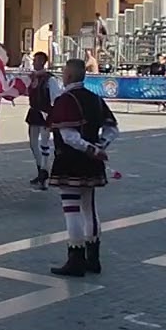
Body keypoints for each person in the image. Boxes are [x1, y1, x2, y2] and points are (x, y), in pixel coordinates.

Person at [46, 58, 119, 278]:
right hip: (91, 161)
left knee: (72, 210)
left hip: (70, 160)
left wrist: (90, 149)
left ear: (68, 76)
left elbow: (68, 136)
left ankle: (75, 258)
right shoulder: (95, 98)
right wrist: (100, 146)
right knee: (89, 208)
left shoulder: (65, 100)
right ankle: (93, 258)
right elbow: (112, 128)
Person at [25, 51, 62, 190]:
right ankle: (41, 170)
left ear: (42, 62)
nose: (34, 62)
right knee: (33, 143)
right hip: (34, 112)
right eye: (34, 60)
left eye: (36, 60)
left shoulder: (50, 80)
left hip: (45, 114)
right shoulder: (33, 77)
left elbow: (56, 98)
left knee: (44, 143)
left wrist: (53, 116)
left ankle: (45, 172)